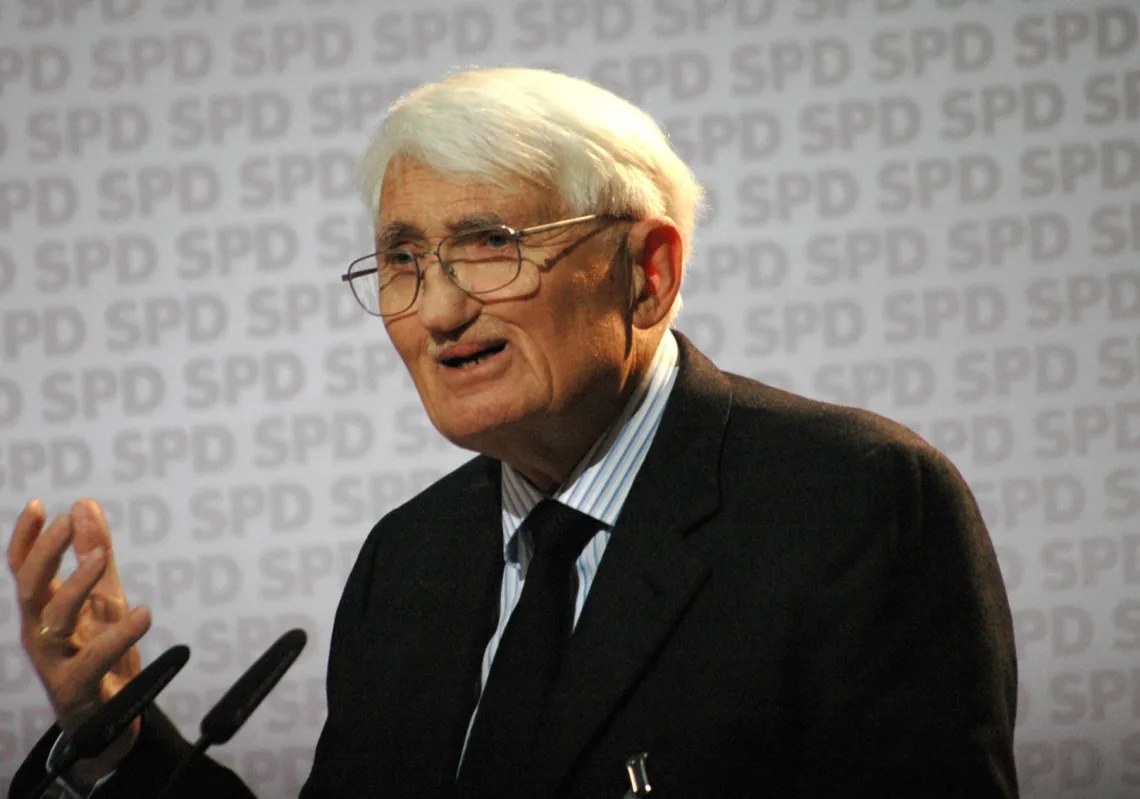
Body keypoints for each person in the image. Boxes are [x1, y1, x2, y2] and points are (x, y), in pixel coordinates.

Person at [7, 67, 1019, 798]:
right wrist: (122, 740)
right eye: (401, 262)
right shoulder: (407, 561)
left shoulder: (852, 502)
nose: (438, 310)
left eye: (490, 246)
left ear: (649, 273)